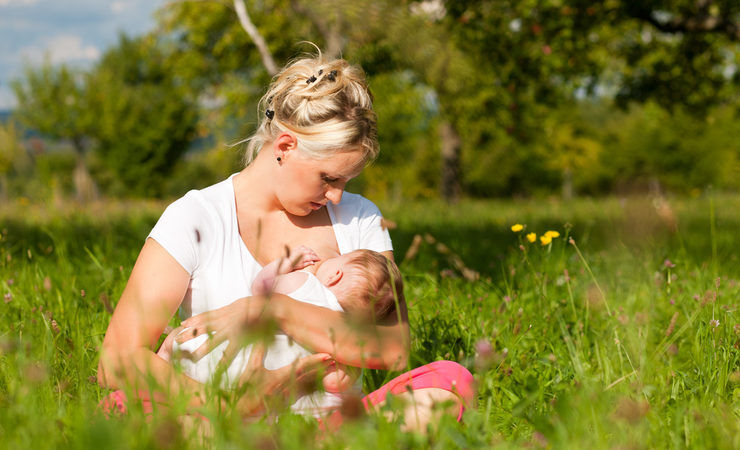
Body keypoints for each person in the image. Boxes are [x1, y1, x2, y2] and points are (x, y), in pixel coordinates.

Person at [97, 51, 474, 432]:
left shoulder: (360, 218)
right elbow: (117, 360)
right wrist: (229, 404)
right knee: (123, 406)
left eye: (346, 182)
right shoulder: (196, 216)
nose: (337, 196)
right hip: (219, 418)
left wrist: (276, 310)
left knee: (450, 382)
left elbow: (391, 348)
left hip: (328, 425)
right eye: (328, 178)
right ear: (285, 147)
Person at [157, 246, 404, 416]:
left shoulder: (306, 283)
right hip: (272, 392)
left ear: (335, 275)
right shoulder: (349, 337)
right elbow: (335, 382)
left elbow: (260, 288)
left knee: (176, 342)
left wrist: (285, 265)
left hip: (228, 361)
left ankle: (161, 363)